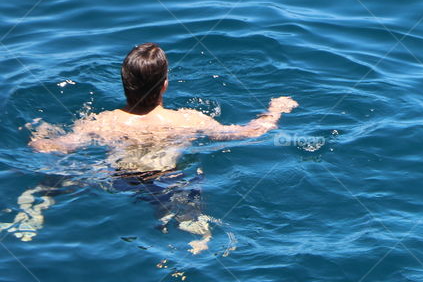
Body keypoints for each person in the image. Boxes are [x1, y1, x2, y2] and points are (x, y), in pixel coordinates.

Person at [8, 42, 298, 253]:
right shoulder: (187, 119)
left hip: (117, 179)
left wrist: (40, 134)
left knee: (59, 177)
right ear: (165, 85)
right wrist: (275, 111)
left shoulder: (103, 122)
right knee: (189, 207)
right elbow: (248, 133)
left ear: (123, 84)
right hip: (167, 181)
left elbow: (53, 148)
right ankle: (198, 241)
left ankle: (35, 207)